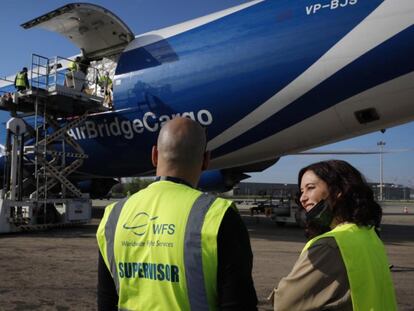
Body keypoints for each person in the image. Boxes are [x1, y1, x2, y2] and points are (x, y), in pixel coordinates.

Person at [96, 117, 257, 310]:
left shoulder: (113, 217)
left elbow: (106, 302)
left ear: (154, 155)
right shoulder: (219, 217)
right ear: (206, 160)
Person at [270, 160, 397, 311]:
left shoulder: (329, 244)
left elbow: (284, 304)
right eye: (301, 191)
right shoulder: (368, 234)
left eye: (310, 188)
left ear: (337, 191)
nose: (302, 198)